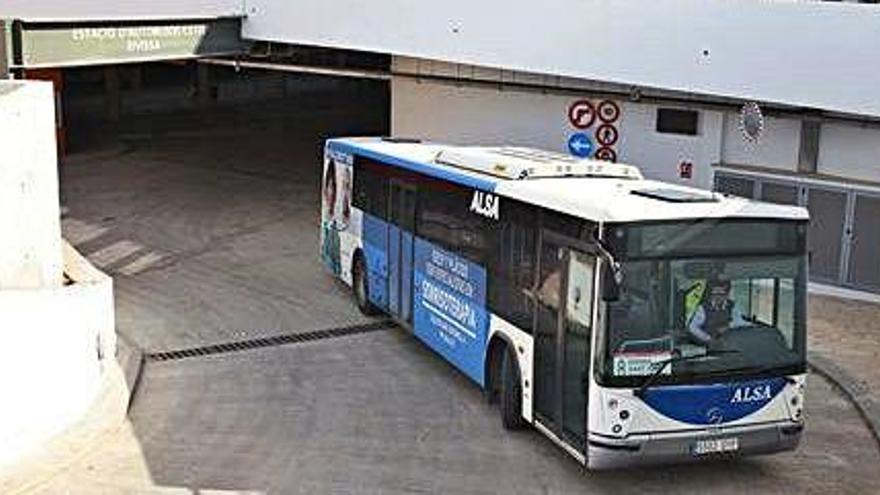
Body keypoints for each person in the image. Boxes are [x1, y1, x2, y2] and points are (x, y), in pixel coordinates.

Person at [687, 275, 748, 345]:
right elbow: (693, 327)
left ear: (726, 295)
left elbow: (740, 323)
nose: (717, 297)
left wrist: (728, 326)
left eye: (721, 294)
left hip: (731, 345)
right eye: (715, 294)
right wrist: (709, 339)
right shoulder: (703, 309)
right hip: (710, 348)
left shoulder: (732, 306)